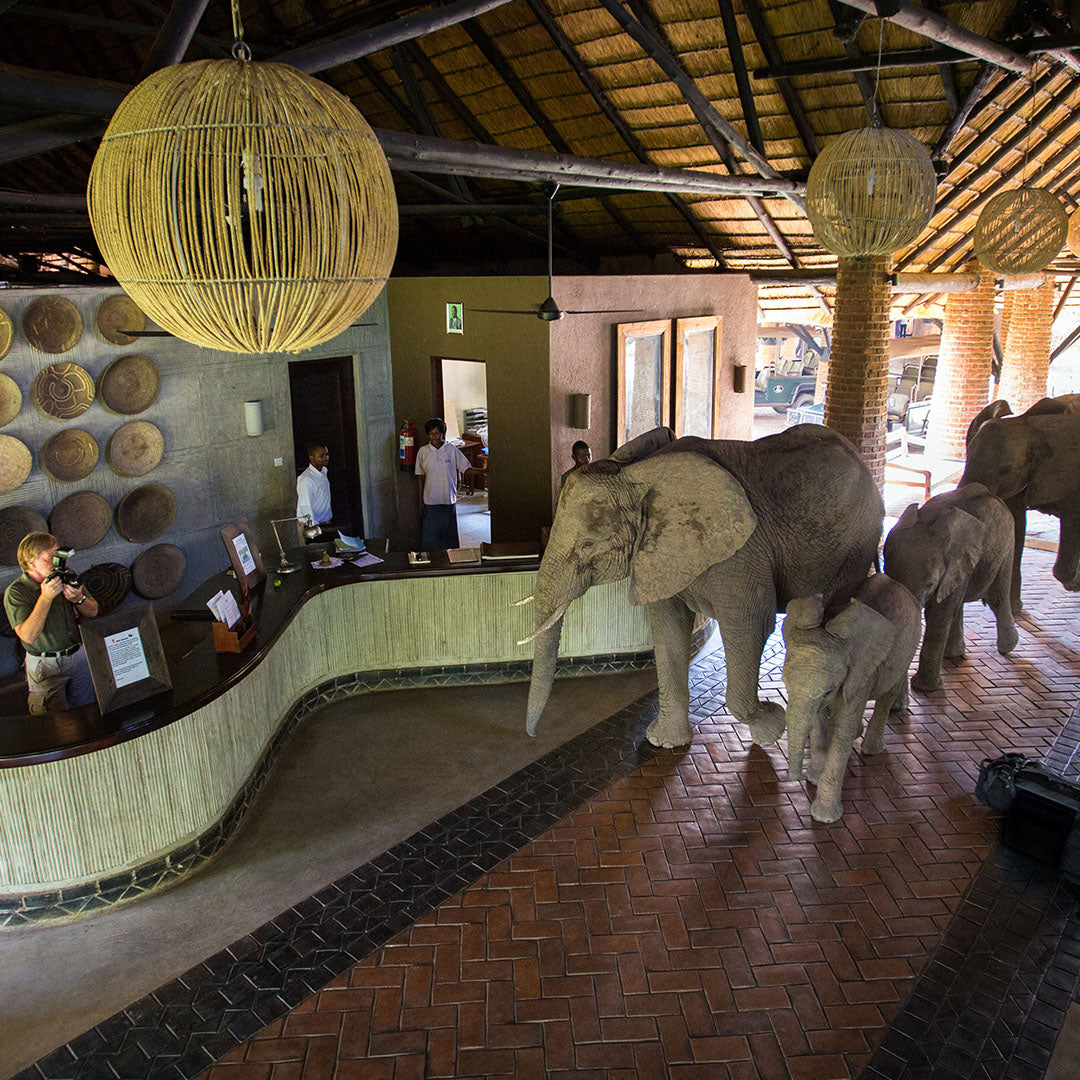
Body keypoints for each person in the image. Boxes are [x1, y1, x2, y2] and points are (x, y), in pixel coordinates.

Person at [4, 532, 99, 714]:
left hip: (78, 655)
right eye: (51, 559)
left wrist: (79, 599)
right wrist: (45, 598)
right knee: (52, 720)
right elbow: (28, 636)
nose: (59, 564)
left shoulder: (65, 575)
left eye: (60, 557)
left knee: (85, 710)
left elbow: (93, 611)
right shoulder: (17, 592)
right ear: (31, 563)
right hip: (45, 663)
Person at [415, 417, 470, 550]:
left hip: (448, 498)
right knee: (431, 535)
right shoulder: (423, 452)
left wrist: (485, 471)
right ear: (428, 434)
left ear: (442, 433)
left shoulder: (451, 450)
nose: (434, 436)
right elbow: (420, 477)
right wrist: (420, 500)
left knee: (448, 533)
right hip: (430, 499)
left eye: (437, 433)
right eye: (431, 434)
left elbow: (466, 467)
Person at [296, 442, 335, 542]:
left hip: (326, 524)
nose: (326, 458)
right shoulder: (306, 480)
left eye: (327, 454)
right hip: (313, 527)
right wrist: (315, 529)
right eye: (321, 456)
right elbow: (305, 506)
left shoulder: (324, 472)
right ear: (311, 457)